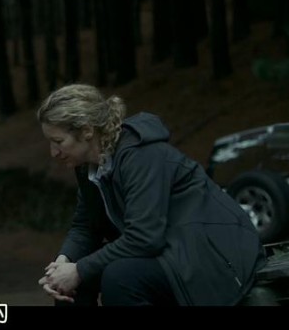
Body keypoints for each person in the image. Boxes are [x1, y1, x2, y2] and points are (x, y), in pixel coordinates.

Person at [35, 84, 265, 306]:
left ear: (87, 131)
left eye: (58, 142)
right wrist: (64, 263)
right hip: (166, 249)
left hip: (211, 255)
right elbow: (85, 227)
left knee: (120, 277)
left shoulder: (141, 155)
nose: (53, 152)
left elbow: (144, 237)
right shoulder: (89, 167)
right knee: (68, 285)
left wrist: (79, 270)